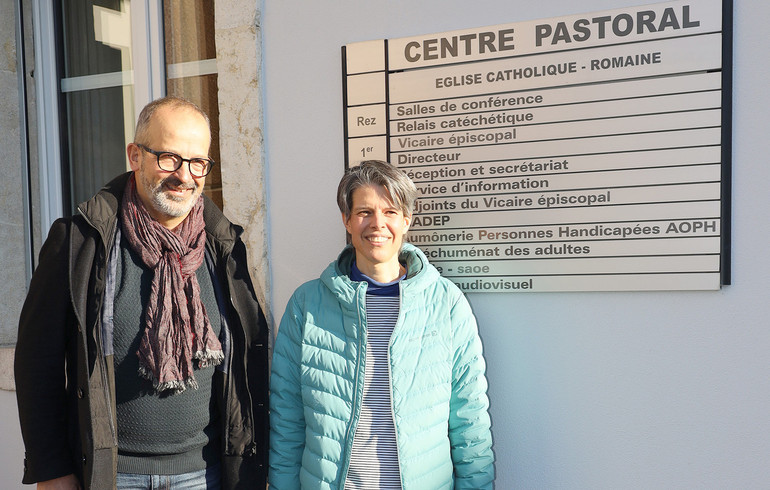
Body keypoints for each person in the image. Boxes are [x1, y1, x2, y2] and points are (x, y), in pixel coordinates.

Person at [15, 96, 269, 489]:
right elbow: (38, 363)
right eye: (168, 157)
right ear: (135, 155)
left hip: (206, 475)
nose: (184, 175)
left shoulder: (223, 246)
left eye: (197, 162)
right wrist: (52, 471)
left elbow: (248, 360)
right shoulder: (81, 241)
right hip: (113, 476)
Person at [269, 160, 494, 489]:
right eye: (364, 212)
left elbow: (469, 420)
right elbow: (287, 418)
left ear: (406, 221)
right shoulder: (307, 305)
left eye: (390, 212)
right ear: (347, 220)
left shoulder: (446, 304)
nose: (378, 224)